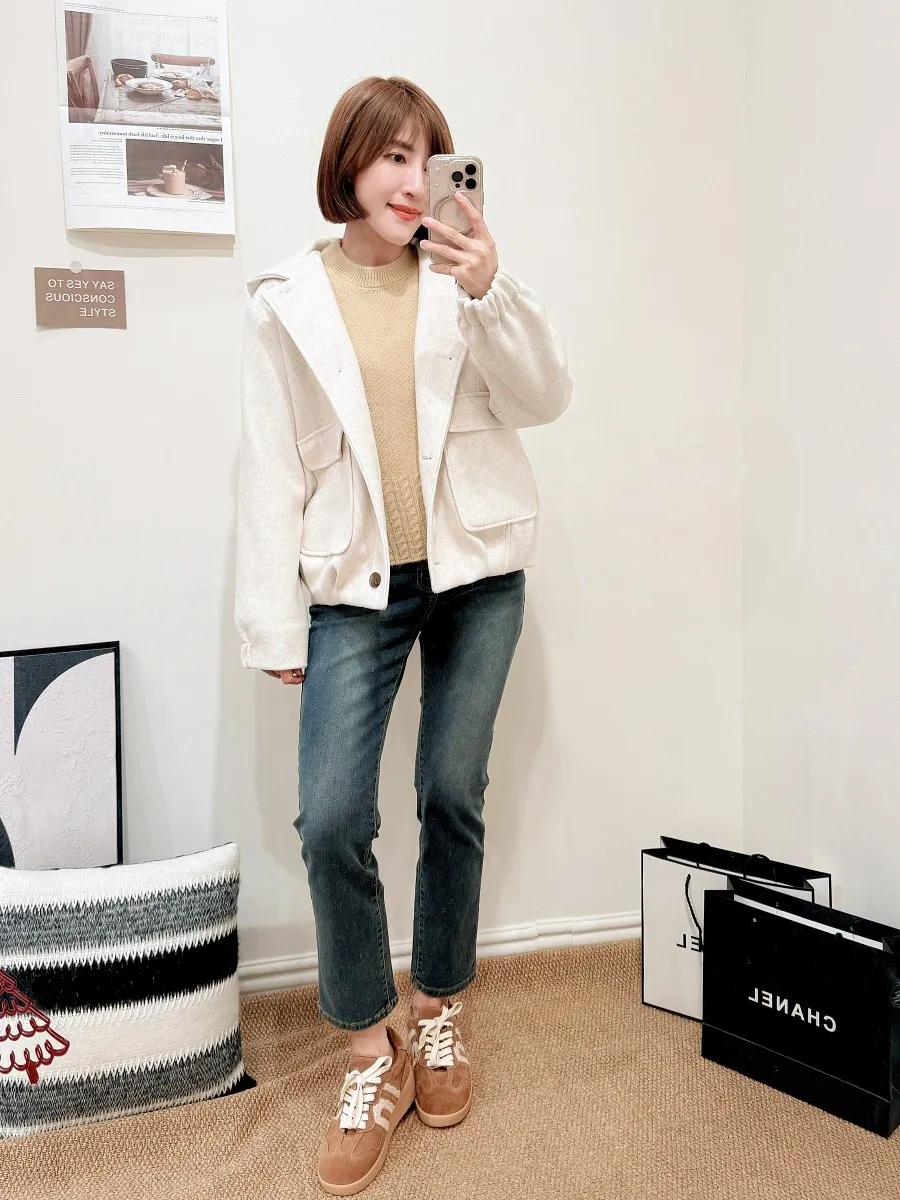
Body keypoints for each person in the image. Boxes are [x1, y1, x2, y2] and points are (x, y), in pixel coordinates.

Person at [235, 74, 573, 1196]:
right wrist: (272, 617)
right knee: (332, 817)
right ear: (349, 165)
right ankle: (367, 1051)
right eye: (389, 154)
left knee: (451, 793)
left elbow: (546, 397)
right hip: (355, 581)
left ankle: (437, 1008)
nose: (411, 178)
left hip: (477, 571)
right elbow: (269, 466)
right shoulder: (286, 299)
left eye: (426, 156)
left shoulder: (462, 276)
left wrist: (492, 288)